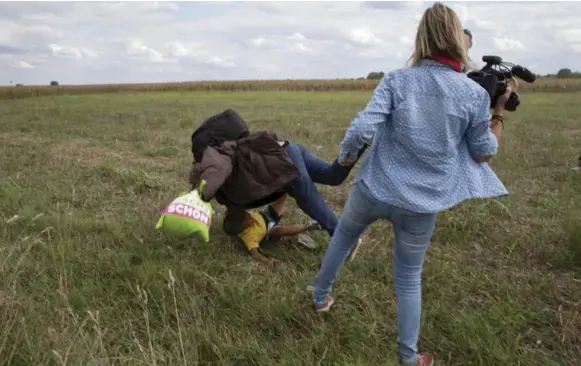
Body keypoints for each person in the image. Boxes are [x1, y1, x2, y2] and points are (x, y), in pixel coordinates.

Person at [310, 3, 519, 366]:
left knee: (344, 236)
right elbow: (484, 152)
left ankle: (320, 297)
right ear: (458, 40)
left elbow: (362, 128)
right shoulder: (473, 95)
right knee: (408, 278)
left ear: (421, 38)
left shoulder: (396, 79)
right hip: (420, 204)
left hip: (374, 187)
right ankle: (408, 357)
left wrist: (345, 160)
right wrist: (498, 109)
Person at [192, 132, 369, 259]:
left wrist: (201, 196)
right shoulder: (223, 163)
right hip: (287, 148)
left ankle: (346, 240)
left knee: (308, 200)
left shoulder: (219, 170)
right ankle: (360, 139)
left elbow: (223, 180)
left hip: (281, 164)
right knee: (332, 176)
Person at [222, 194, 323, 265]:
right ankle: (310, 226)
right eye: (248, 220)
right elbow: (256, 254)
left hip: (266, 216)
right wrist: (267, 261)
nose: (250, 217)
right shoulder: (249, 238)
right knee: (280, 231)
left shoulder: (239, 215)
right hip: (268, 234)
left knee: (282, 196)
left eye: (248, 215)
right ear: (242, 229)